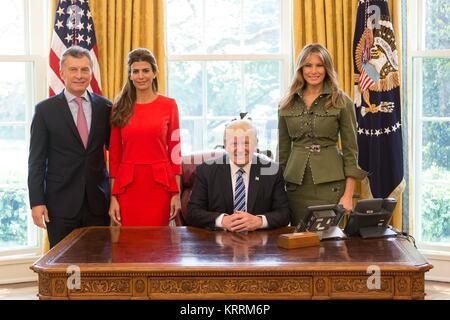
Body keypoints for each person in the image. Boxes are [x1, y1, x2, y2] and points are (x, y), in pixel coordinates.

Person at [28, 46, 112, 248]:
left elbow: (116, 151)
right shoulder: (44, 110)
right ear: (61, 72)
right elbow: (36, 161)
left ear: (92, 72)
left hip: (97, 203)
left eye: (85, 69)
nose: (79, 75)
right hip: (60, 205)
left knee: (97, 265)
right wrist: (37, 202)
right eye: (73, 69)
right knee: (64, 269)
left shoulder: (105, 107)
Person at [278, 43, 367, 226]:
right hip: (296, 189)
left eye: (319, 65)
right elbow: (283, 153)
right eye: (308, 65)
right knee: (299, 245)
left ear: (327, 68)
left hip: (332, 187)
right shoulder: (286, 104)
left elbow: (352, 152)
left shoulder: (341, 101)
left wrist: (348, 195)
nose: (314, 71)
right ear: (300, 69)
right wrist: (277, 194)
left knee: (331, 246)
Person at [108, 48, 182, 226]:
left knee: (158, 244)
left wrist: (176, 194)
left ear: (155, 73)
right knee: (129, 245)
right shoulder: (119, 107)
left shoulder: (169, 105)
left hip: (160, 186)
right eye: (136, 71)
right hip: (127, 187)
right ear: (130, 75)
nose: (141, 76)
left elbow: (175, 153)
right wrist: (113, 197)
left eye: (146, 70)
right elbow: (115, 157)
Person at [188, 119, 291, 231]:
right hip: (217, 241)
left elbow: (284, 214)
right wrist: (222, 220)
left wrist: (259, 221)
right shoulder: (206, 171)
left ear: (256, 143)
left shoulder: (272, 171)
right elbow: (193, 213)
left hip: (258, 241)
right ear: (225, 145)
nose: (241, 149)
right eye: (235, 143)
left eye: (246, 143)